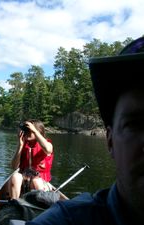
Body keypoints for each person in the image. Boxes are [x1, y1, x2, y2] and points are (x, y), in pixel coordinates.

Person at [27, 36, 144, 225]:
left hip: (39, 183)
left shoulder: (45, 143)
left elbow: (47, 150)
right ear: (110, 141)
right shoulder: (65, 221)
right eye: (136, 124)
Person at [10, 119, 54, 199]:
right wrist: (20, 146)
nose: (25, 133)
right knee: (15, 176)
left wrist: (34, 130)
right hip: (24, 181)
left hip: (40, 183)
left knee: (36, 181)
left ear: (38, 131)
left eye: (28, 131)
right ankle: (14, 203)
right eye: (25, 131)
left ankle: (39, 207)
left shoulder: (47, 144)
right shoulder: (23, 144)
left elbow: (48, 150)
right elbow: (14, 167)